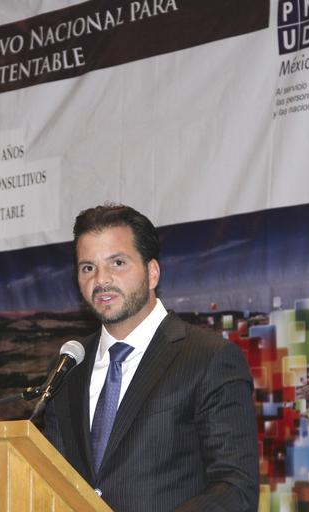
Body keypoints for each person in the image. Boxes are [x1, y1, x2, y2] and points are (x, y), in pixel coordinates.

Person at [43, 204, 259, 512]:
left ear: (152, 272)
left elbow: (236, 487)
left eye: (117, 263)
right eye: (88, 268)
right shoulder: (68, 367)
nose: (101, 280)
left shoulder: (208, 357)